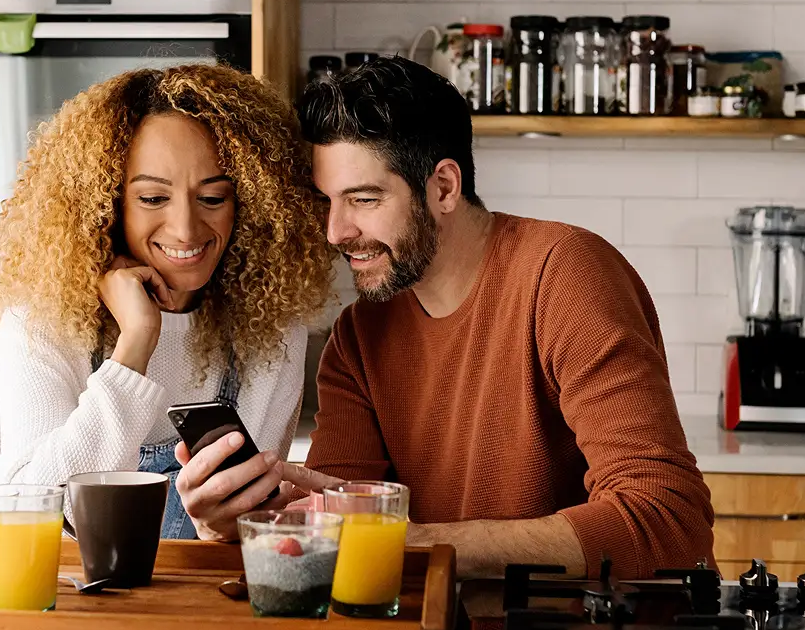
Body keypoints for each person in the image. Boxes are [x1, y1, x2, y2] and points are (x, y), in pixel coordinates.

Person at [177, 55, 716, 580]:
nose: (335, 232)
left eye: (363, 200)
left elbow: (666, 521)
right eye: (327, 203)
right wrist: (228, 528)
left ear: (443, 187)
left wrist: (411, 541)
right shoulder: (359, 338)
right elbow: (336, 543)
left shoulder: (565, 274)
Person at [0, 64, 333, 539]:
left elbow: (246, 527)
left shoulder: (272, 332)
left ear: (248, 204)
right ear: (105, 204)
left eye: (212, 198)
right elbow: (27, 511)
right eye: (152, 198)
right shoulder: (41, 322)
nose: (186, 229)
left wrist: (220, 526)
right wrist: (136, 343)